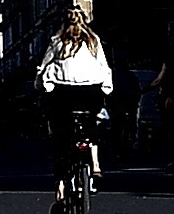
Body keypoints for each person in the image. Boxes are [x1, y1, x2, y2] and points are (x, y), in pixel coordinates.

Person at [42, 16, 118, 204]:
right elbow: (104, 66)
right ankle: (95, 163)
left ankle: (60, 186)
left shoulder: (57, 42)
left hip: (63, 92)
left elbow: (44, 68)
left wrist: (43, 86)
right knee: (91, 120)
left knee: (60, 139)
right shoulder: (93, 41)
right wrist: (106, 89)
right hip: (91, 91)